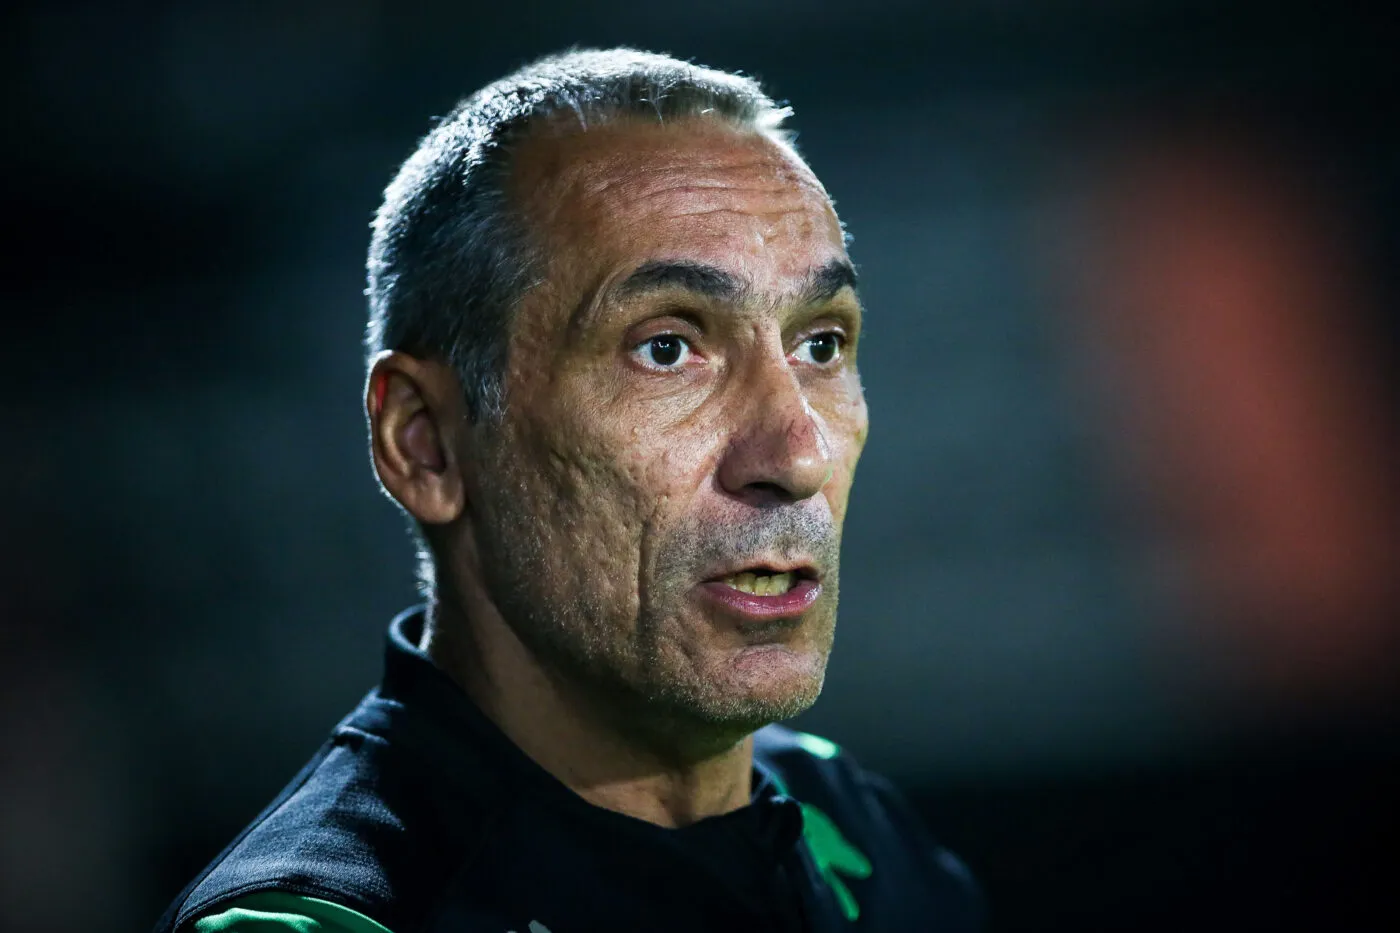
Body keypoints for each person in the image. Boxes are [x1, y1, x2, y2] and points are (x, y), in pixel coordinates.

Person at [154, 48, 983, 933]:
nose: (797, 455)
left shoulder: (856, 825)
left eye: (820, 344)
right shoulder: (317, 920)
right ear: (424, 443)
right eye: (666, 348)